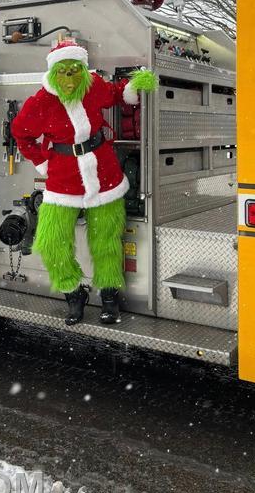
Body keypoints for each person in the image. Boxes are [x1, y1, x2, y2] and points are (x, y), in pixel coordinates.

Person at [11, 39, 158, 325]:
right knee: (52, 242)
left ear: (82, 68)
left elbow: (116, 94)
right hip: (62, 179)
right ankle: (73, 293)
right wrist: (43, 162)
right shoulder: (40, 102)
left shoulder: (92, 85)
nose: (69, 77)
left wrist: (133, 86)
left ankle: (109, 297)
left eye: (74, 70)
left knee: (106, 241)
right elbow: (21, 134)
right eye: (63, 71)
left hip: (105, 175)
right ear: (53, 72)